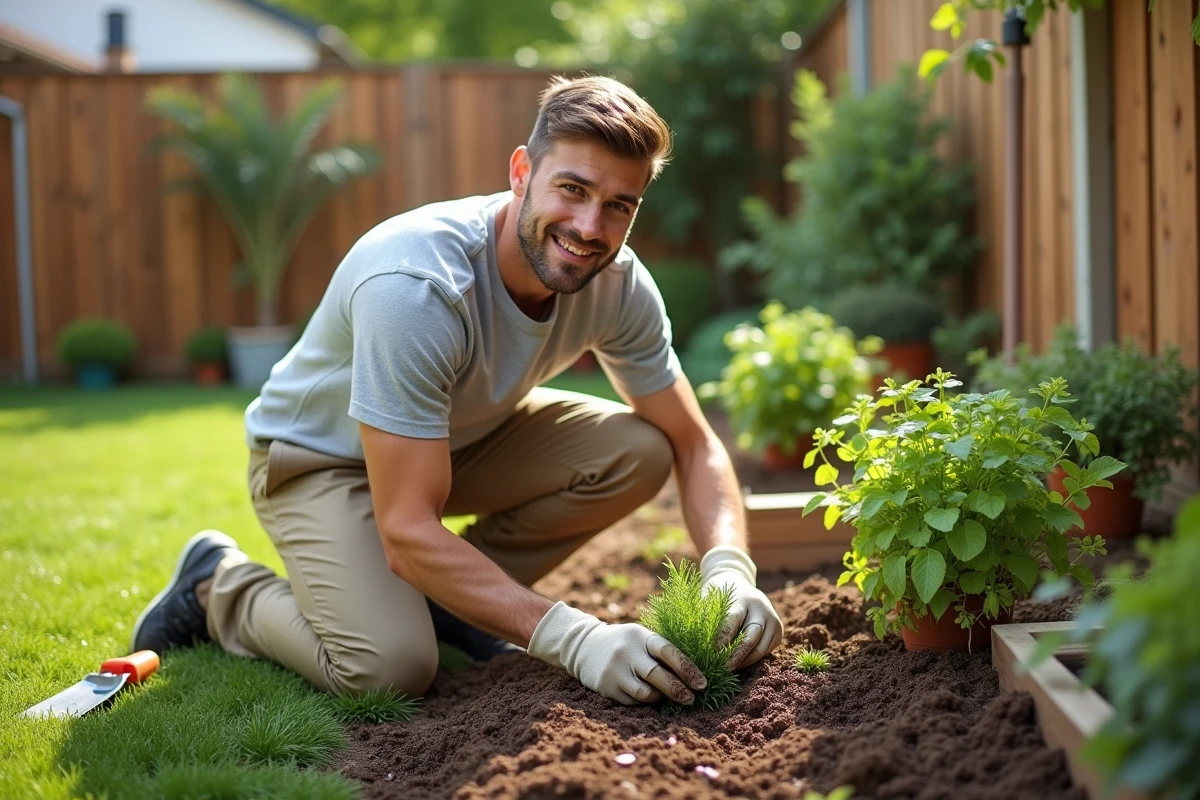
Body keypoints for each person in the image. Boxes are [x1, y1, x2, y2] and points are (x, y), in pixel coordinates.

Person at [130, 75, 784, 707]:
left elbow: (694, 446)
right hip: (321, 460)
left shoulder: (618, 285)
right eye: (572, 189)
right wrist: (574, 638)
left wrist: (730, 571)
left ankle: (451, 604)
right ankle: (219, 588)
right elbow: (407, 529)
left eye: (620, 205)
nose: (590, 227)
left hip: (456, 437)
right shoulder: (417, 287)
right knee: (389, 667)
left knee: (639, 450)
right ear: (521, 172)